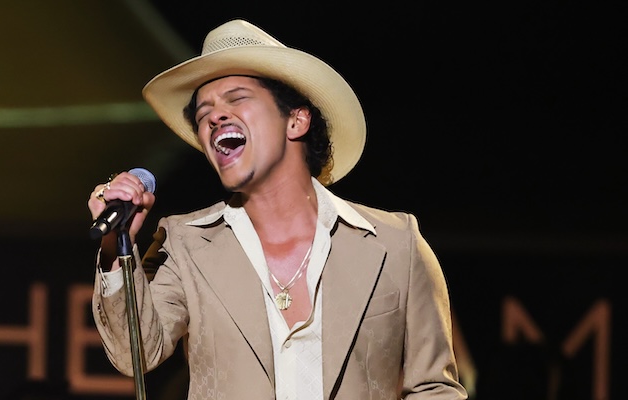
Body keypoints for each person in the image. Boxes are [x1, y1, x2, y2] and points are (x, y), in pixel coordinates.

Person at [87, 19, 467, 400]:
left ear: (296, 120)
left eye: (237, 99)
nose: (214, 117)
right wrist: (115, 247)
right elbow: (135, 353)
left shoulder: (396, 243)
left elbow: (434, 389)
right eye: (203, 114)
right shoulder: (184, 244)